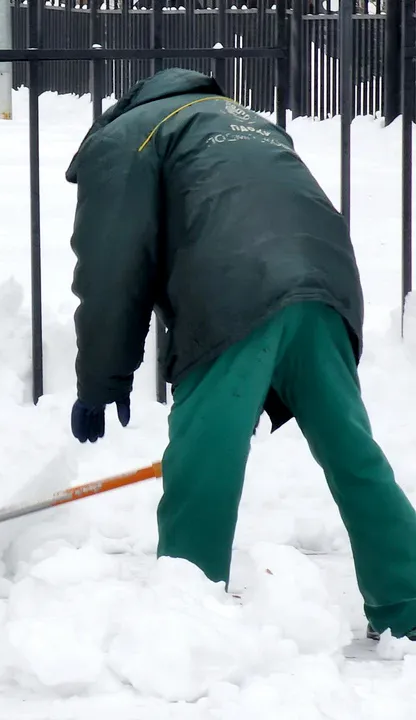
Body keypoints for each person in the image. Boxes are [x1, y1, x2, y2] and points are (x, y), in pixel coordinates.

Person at [65, 67, 416, 641]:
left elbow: (111, 269)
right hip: (326, 282)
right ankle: (409, 599)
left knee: (205, 459)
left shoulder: (129, 136)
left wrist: (102, 379)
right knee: (353, 452)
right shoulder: (251, 122)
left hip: (234, 288)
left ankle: (187, 618)